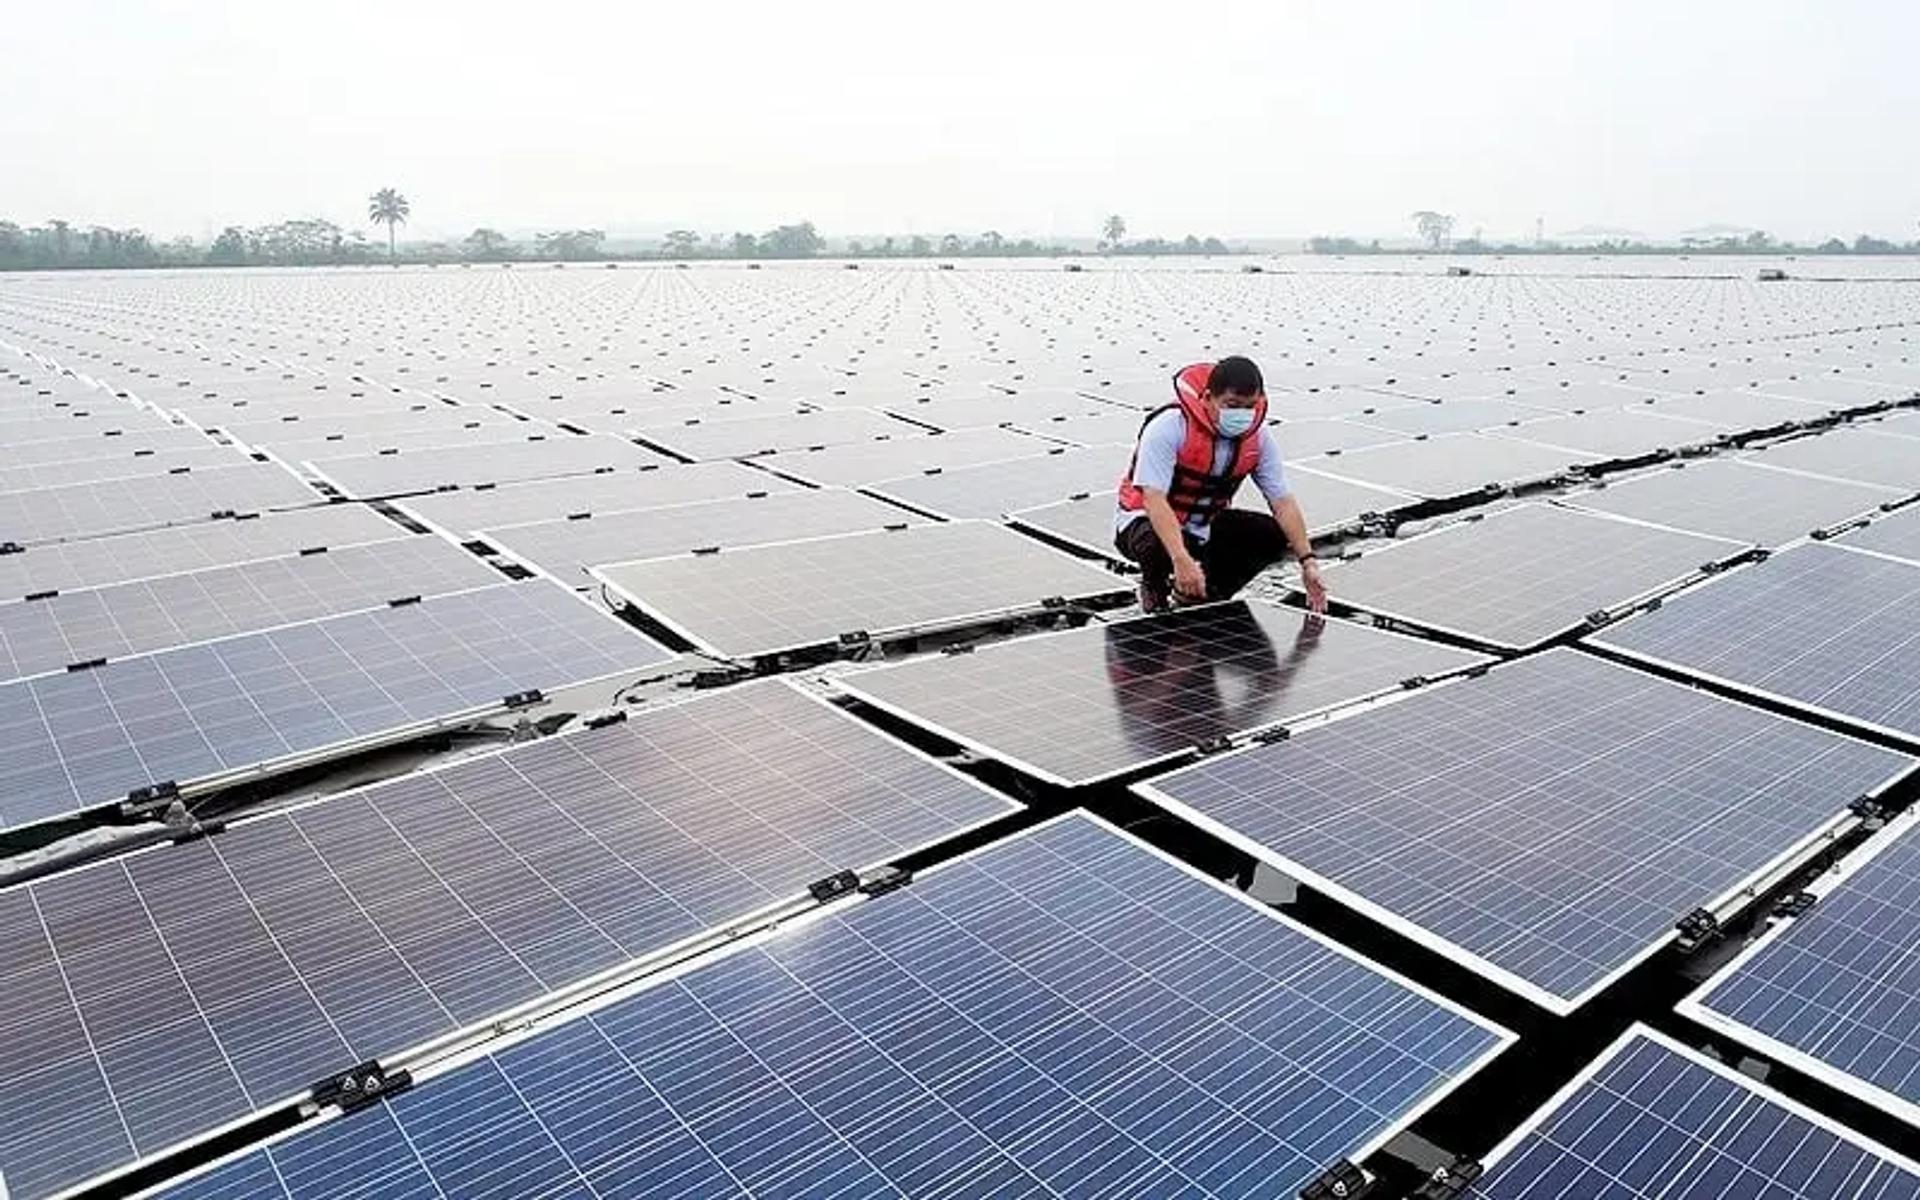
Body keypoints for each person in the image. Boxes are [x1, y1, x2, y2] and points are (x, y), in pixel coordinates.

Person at [1114, 356, 1327, 613]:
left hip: (1201, 527)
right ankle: (1154, 587)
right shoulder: (1169, 427)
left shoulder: (1258, 438)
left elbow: (1282, 500)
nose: (1242, 414)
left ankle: (1206, 594)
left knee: (1270, 533)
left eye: (1250, 406)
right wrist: (1181, 560)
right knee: (1156, 544)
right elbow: (1153, 498)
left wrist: (1308, 562)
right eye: (1232, 405)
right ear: (1207, 398)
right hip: (1145, 525)